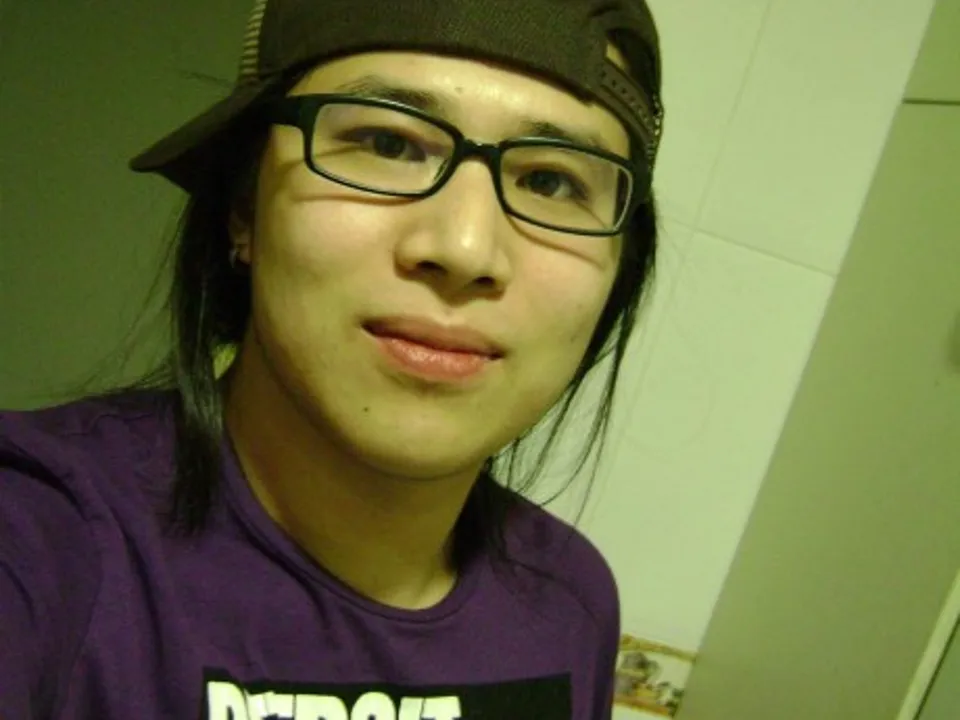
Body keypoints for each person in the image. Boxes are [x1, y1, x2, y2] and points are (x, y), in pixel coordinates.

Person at [0, 0, 663, 717]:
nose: (466, 248)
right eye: (387, 143)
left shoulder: (567, 601)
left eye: (551, 183)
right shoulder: (42, 539)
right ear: (244, 207)